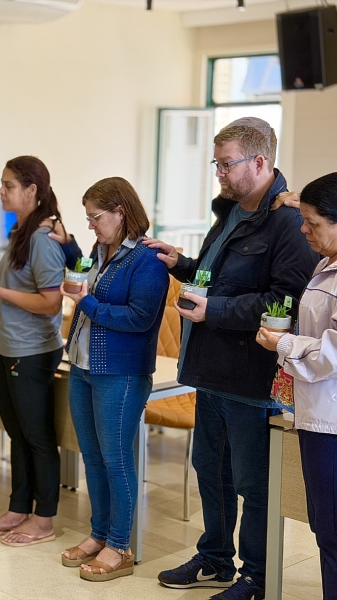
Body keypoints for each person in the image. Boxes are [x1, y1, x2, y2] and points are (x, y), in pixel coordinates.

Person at [146, 117, 319, 599]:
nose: (219, 173)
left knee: (252, 484)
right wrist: (180, 263)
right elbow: (215, 278)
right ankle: (216, 558)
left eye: (226, 164)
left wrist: (215, 311)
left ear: (259, 161)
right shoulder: (231, 213)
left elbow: (285, 303)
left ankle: (256, 577)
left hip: (251, 376)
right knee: (211, 470)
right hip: (211, 370)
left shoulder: (288, 222)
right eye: (216, 164)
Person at [61, 177, 169, 581]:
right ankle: (99, 534)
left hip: (121, 373)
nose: (91, 225)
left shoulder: (146, 259)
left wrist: (86, 301)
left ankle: (120, 546)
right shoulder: (100, 250)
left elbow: (140, 318)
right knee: (91, 456)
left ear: (120, 212)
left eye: (95, 217)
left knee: (116, 459)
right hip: (83, 366)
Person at [0, 156, 65, 546]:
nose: (1, 191)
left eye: (8, 185)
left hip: (32, 350)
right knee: (17, 432)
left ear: (31, 190)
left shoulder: (43, 238)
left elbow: (50, 303)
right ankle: (18, 508)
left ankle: (44, 519)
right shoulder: (21, 231)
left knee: (37, 436)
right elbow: (17, 283)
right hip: (10, 347)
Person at [256, 172, 337, 600]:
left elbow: (333, 353)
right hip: (315, 413)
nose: (303, 229)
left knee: (332, 532)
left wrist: (284, 343)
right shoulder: (326, 263)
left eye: (312, 222)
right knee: (325, 528)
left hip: (330, 421)